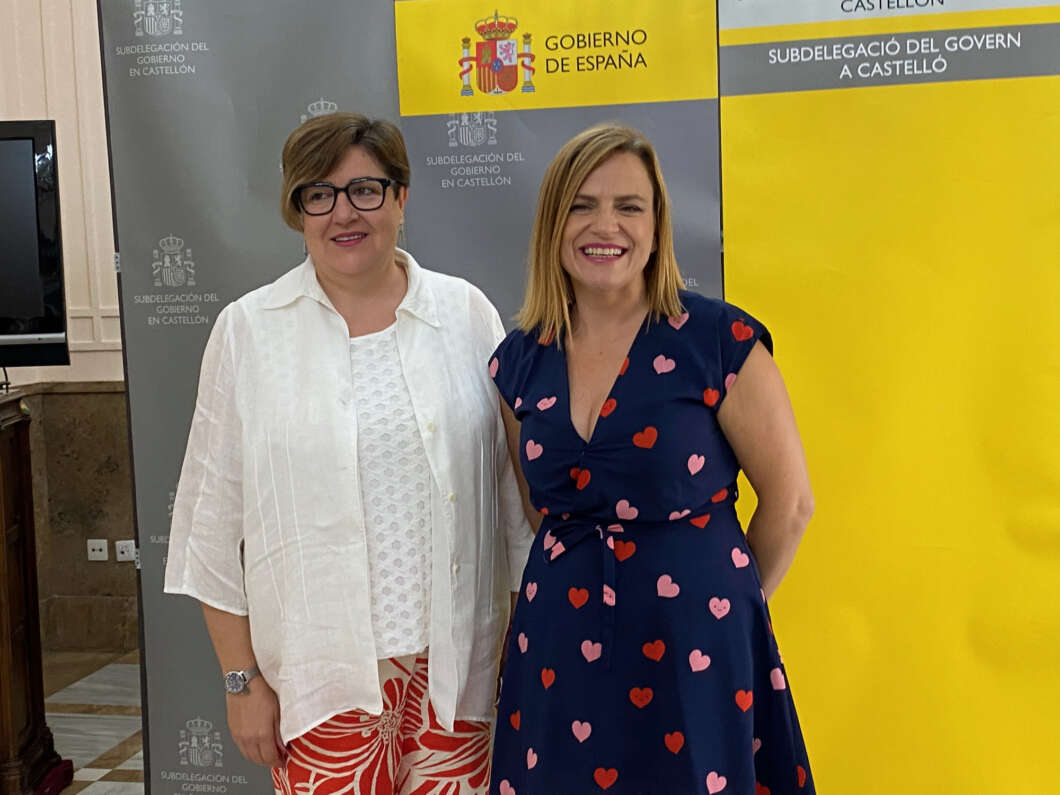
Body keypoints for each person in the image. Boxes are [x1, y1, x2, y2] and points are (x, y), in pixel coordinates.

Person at [164, 112, 533, 795]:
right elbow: (209, 529)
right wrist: (241, 682)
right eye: (319, 194)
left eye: (365, 189)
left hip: (458, 679)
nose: (343, 213)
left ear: (401, 196)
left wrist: (519, 640)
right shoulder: (248, 332)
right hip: (318, 687)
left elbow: (514, 507)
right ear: (297, 209)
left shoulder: (467, 315)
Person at [488, 123, 816, 794]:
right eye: (581, 205)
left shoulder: (719, 339)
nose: (604, 225)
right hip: (557, 647)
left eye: (628, 206)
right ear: (552, 224)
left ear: (657, 224)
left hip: (696, 647)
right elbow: (540, 509)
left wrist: (719, 608)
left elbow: (790, 504)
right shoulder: (519, 359)